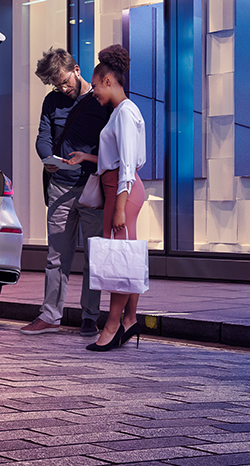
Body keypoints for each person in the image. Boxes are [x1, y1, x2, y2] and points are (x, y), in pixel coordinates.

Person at [20, 48, 112, 338]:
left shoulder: (100, 100)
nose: (62, 88)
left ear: (78, 70)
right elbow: (43, 137)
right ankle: (50, 315)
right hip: (59, 185)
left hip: (91, 187)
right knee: (57, 256)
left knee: (94, 255)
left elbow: (111, 144)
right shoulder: (52, 101)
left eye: (65, 82)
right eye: (57, 85)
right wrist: (48, 159)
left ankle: (90, 316)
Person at [68, 44, 147, 352]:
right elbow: (116, 159)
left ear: (108, 80)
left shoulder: (125, 113)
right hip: (118, 189)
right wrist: (88, 158)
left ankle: (112, 327)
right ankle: (129, 321)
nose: (94, 93)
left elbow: (128, 165)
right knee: (127, 260)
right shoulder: (121, 112)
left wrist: (120, 207)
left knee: (119, 262)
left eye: (96, 85)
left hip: (122, 191)